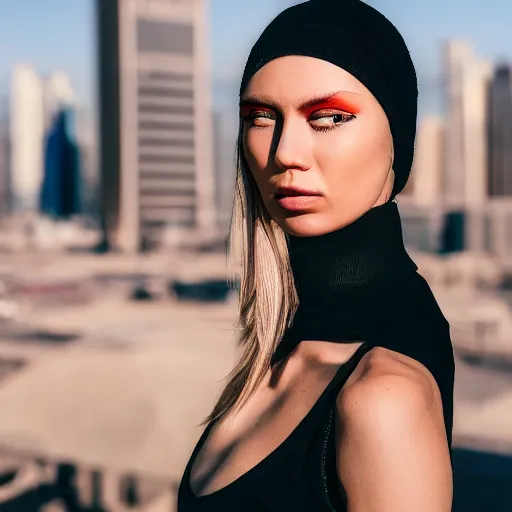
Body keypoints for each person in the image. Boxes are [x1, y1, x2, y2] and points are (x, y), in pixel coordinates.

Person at [177, 0, 455, 510]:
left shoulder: (385, 396)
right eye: (261, 117)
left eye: (328, 117)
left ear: (399, 138)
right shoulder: (282, 344)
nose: (285, 152)